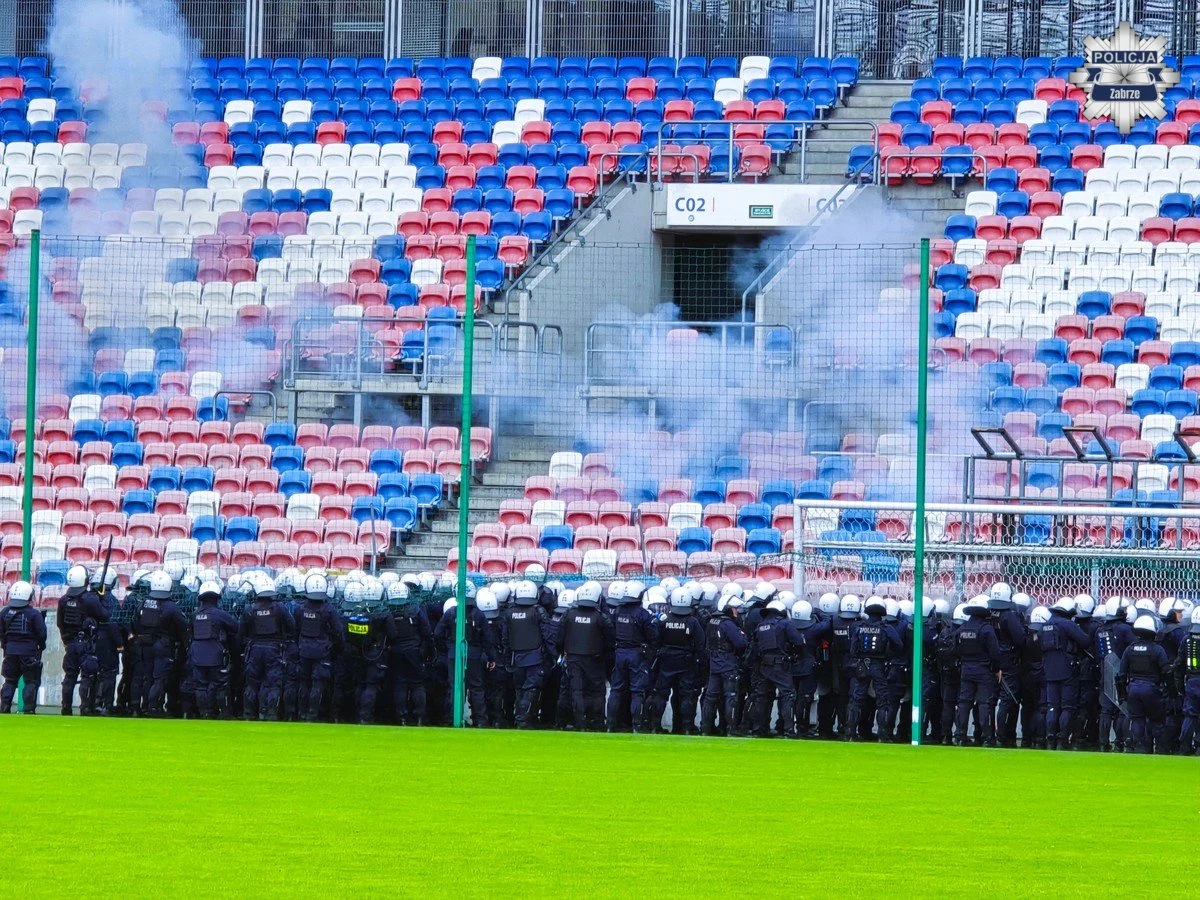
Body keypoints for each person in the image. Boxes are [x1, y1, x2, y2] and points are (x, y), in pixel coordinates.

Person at [556, 580, 612, 731]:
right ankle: (597, 723)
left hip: (573, 658)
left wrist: (562, 653)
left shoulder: (569, 614)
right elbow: (610, 640)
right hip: (595, 659)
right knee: (597, 691)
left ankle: (579, 723)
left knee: (577, 691)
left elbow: (559, 637)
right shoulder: (600, 617)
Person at [239, 571, 295, 721]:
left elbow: (241, 633)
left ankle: (248, 714)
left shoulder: (249, 610)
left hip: (254, 649)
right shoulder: (280, 608)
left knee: (251, 683)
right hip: (274, 650)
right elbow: (292, 627)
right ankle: (271, 713)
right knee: (273, 683)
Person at [130, 570, 187, 717]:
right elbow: (183, 627)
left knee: (147, 677)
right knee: (159, 678)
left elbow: (135, 624)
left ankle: (145, 706)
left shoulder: (143, 604)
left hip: (145, 645)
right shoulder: (171, 607)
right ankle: (154, 707)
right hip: (163, 646)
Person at [746, 598, 805, 738]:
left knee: (761, 697)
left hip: (763, 666)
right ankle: (789, 730)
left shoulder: (760, 626)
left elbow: (754, 647)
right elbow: (799, 642)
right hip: (780, 666)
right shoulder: (784, 623)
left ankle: (758, 729)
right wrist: (794, 655)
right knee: (788, 695)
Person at [647, 588, 703, 734]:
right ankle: (687, 727)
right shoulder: (692, 621)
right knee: (686, 695)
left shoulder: (663, 619)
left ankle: (655, 726)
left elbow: (655, 640)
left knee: (660, 694)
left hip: (666, 661)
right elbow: (700, 645)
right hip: (686, 662)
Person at [846, 596, 902, 741]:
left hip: (862, 665)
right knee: (883, 700)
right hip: (879, 666)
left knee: (856, 699)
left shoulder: (859, 627)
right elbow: (898, 645)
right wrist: (888, 654)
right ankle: (883, 735)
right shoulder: (886, 628)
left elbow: (852, 649)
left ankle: (850, 733)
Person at [339, 582, 395, 725]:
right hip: (375, 654)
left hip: (358, 653)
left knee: (360, 684)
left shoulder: (357, 610)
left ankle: (358, 715)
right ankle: (365, 716)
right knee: (371, 686)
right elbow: (393, 634)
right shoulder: (383, 612)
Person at [1039, 597, 1091, 750]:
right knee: (1067, 707)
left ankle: (1050, 738)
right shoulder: (1067, 624)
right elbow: (1085, 641)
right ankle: (1062, 740)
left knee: (1052, 706)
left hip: (1049, 670)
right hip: (1067, 670)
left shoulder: (1044, 626)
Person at [606, 580, 656, 732]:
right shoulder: (643, 614)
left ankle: (610, 725)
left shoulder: (618, 611)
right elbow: (653, 636)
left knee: (616, 690)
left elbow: (611, 631)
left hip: (620, 653)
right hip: (636, 655)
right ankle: (636, 725)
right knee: (637, 691)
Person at [56, 564, 106, 716]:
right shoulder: (90, 599)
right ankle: (85, 707)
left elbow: (60, 623)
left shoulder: (63, 600)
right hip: (86, 643)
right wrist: (101, 598)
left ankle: (66, 707)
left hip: (70, 643)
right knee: (87, 676)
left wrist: (66, 641)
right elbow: (104, 615)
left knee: (69, 676)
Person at [1118, 614, 1172, 754]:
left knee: (1137, 720)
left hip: (1133, 689)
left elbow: (1121, 675)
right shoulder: (1157, 650)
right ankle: (1161, 749)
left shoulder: (1129, 649)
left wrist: (1122, 694)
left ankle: (1140, 749)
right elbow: (1167, 672)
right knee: (1157, 721)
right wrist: (1172, 691)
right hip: (1152, 690)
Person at [954, 594, 1002, 747]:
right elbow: (995, 653)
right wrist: (996, 669)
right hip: (984, 670)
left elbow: (955, 649)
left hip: (966, 669)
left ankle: (960, 736)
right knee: (984, 704)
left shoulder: (961, 629)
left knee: (964, 703)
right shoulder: (986, 629)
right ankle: (987, 738)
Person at [295, 573, 343, 723]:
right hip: (322, 651)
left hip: (303, 650)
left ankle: (301, 714)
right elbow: (338, 631)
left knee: (304, 683)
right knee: (318, 684)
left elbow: (296, 628)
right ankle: (312, 715)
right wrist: (335, 646)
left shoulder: (300, 608)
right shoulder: (328, 609)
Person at [500, 580, 547, 729]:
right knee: (531, 689)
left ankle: (521, 718)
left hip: (516, 658)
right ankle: (523, 720)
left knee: (520, 689)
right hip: (534, 658)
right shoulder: (538, 611)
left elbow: (505, 639)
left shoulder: (508, 613)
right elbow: (547, 635)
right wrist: (550, 656)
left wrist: (507, 658)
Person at [189, 580, 239, 719]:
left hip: (197, 655)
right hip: (216, 655)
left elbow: (190, 632)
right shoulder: (220, 614)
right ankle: (223, 713)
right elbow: (236, 627)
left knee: (200, 686)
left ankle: (205, 713)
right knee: (220, 685)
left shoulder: (194, 615)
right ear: (217, 597)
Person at [700, 593, 749, 736]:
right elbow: (741, 643)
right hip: (728, 664)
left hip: (714, 664)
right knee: (731, 697)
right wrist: (743, 635)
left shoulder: (712, 621)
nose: (737, 611)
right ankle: (731, 729)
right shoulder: (728, 624)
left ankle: (705, 728)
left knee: (710, 697)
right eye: (734, 608)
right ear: (727, 608)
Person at [387, 581, 431, 725]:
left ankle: (402, 718)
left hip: (396, 651)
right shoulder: (415, 609)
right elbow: (426, 631)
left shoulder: (387, 610)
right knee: (417, 684)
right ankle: (419, 718)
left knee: (400, 684)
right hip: (414, 652)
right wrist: (428, 649)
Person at [988, 582, 1026, 748]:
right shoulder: (1008, 616)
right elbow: (1020, 639)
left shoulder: (989, 613)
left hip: (992, 659)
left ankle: (992, 734)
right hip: (1008, 660)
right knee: (1008, 699)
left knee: (992, 699)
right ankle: (1003, 736)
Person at [0, 582, 46, 714]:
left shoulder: (5, 612)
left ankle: (4, 707)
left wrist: (6, 646)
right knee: (31, 681)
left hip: (10, 652)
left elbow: (1, 633)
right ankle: (28, 709)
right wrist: (40, 646)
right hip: (29, 652)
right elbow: (42, 634)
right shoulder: (34, 614)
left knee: (10, 681)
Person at [790, 598, 831, 737]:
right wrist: (819, 611)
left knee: (793, 698)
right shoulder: (813, 630)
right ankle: (802, 727)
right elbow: (827, 622)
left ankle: (792, 726)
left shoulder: (789, 627)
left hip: (792, 667)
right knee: (805, 699)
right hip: (808, 668)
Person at [1176, 607, 1200, 755]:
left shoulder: (1187, 639)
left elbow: (1179, 665)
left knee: (1190, 715)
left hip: (1191, 682)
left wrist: (1179, 687)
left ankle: (1184, 747)